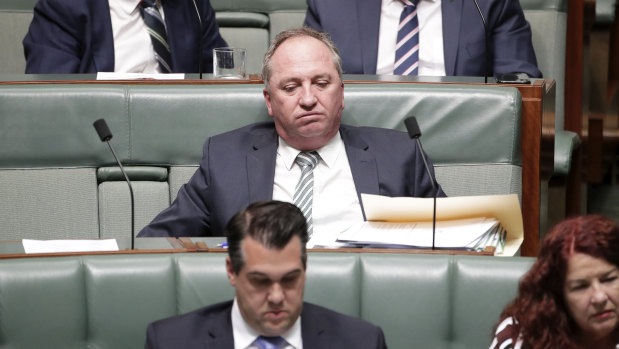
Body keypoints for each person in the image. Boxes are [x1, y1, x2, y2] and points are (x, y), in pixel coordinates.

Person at [137, 27, 444, 241]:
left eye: (321, 83)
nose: (308, 98)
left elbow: (457, 235)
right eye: (291, 86)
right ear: (269, 101)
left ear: (342, 93)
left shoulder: (400, 154)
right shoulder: (226, 158)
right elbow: (158, 241)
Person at [144, 200, 388, 348]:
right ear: (232, 271)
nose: (276, 296)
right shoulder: (170, 342)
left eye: (290, 279)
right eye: (260, 281)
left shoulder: (362, 342)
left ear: (305, 268)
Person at [304, 0, 542, 78]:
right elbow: (306, 79)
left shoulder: (485, 3)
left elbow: (521, 86)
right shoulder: (330, 5)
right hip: (361, 144)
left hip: (461, 144)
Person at [489, 215, 619, 349]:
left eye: (609, 280)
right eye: (580, 287)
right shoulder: (518, 337)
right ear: (558, 296)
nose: (599, 297)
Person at [23, 0, 227, 74]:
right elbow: (51, 92)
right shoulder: (64, 6)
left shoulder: (191, 4)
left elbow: (222, 74)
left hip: (180, 132)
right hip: (100, 140)